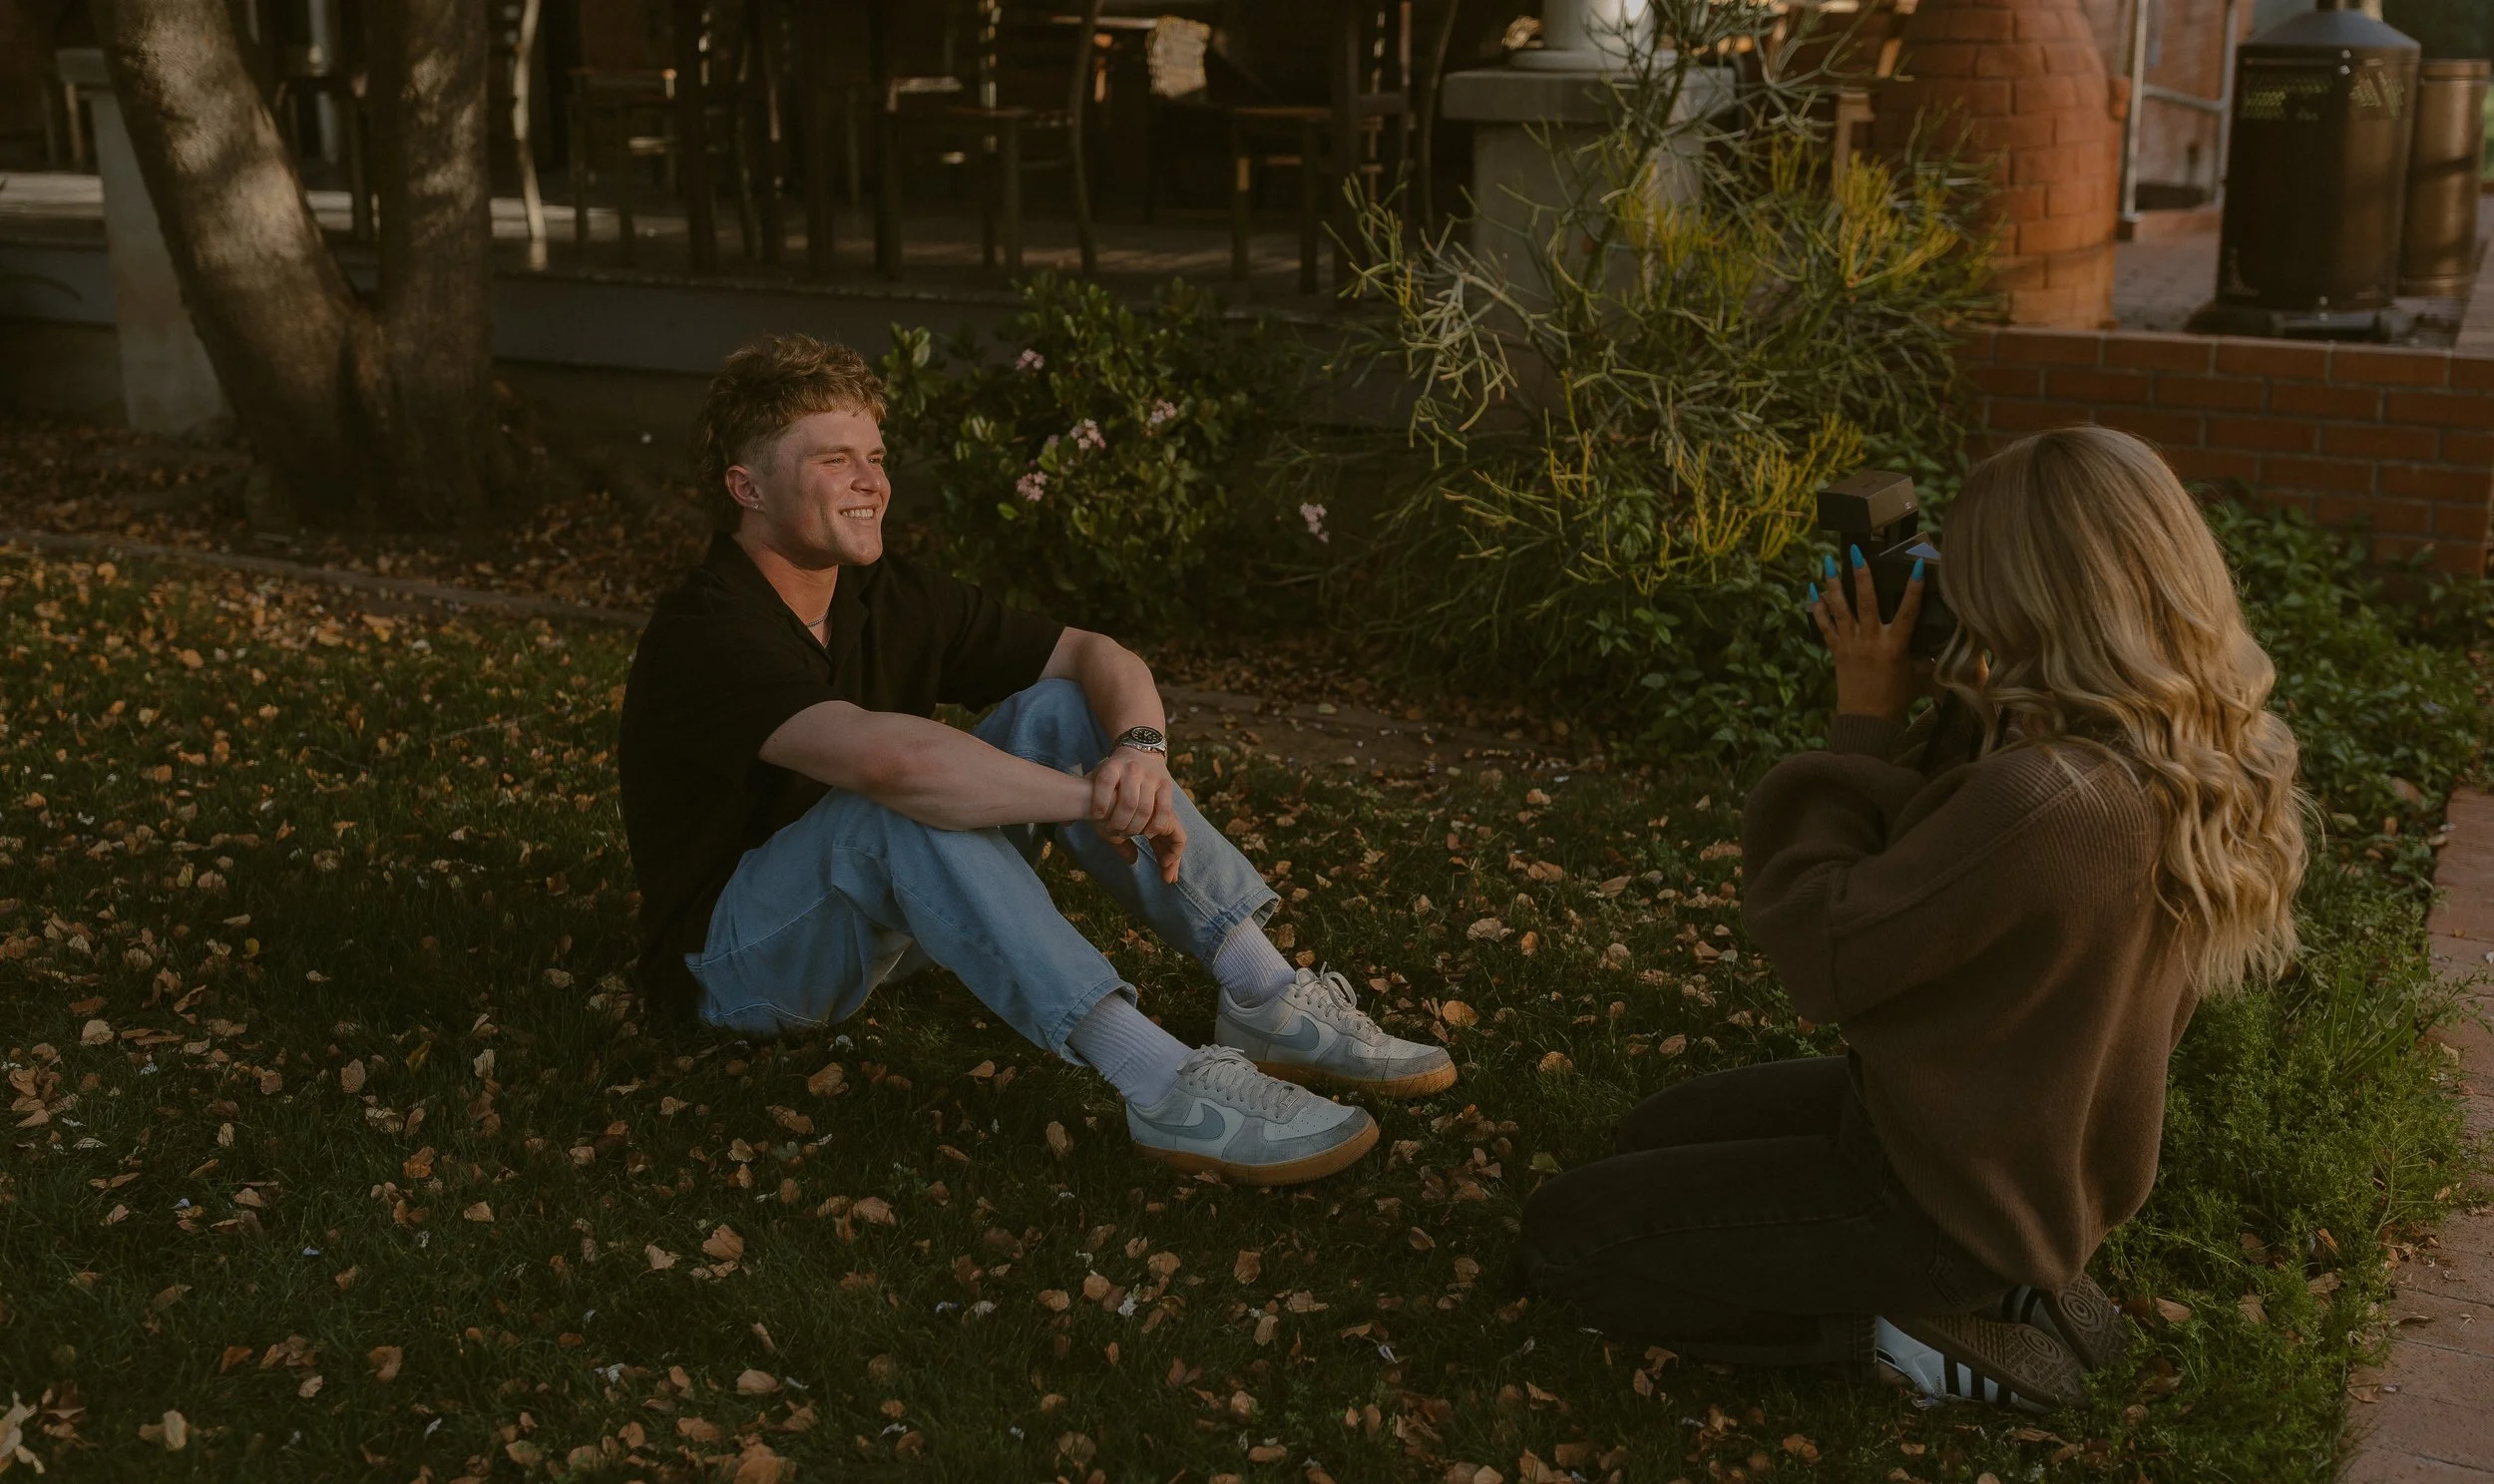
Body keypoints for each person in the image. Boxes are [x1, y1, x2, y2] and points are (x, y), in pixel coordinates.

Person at [1517, 426, 2305, 1411]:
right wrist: (1964, 707)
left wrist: (1864, 721)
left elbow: (1822, 946)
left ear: (2023, 600)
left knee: (1569, 1237)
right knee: (1653, 1131)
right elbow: (1964, 876)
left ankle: (1905, 1331)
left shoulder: (2041, 800)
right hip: (2009, 1155)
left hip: (1934, 1206)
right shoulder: (2165, 751)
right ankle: (2027, 1276)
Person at [618, 334, 1454, 1188]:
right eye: (836, 461)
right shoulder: (708, 630)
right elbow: (898, 768)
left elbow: (1095, 654)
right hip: (737, 968)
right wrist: (1094, 800)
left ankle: (1263, 991)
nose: (872, 482)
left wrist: (1139, 753)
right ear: (746, 489)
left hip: (877, 922)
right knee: (897, 804)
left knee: (1058, 709)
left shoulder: (885, 592)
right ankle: (1163, 1084)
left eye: (875, 455)